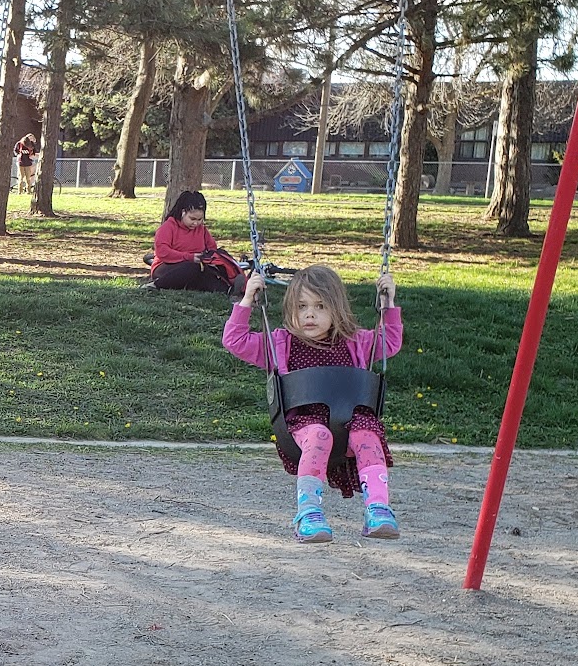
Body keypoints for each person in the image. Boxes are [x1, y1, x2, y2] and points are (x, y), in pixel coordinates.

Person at [223, 263, 402, 542]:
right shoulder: (280, 344)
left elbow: (389, 342)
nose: (309, 314)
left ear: (336, 309)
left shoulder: (355, 342)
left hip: (350, 421)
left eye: (320, 306)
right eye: (301, 306)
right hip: (304, 424)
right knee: (320, 435)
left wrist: (388, 305)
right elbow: (235, 340)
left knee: (368, 435)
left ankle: (378, 509)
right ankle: (309, 513)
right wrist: (247, 300)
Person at [150, 189, 242, 293]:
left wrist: (209, 258)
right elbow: (162, 252)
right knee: (193, 268)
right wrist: (189, 257)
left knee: (209, 269)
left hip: (197, 267)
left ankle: (228, 289)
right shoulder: (168, 227)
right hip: (167, 267)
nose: (196, 223)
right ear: (183, 212)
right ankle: (156, 284)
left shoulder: (202, 229)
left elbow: (212, 248)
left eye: (199, 219)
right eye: (192, 219)